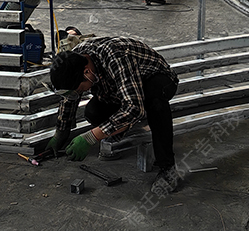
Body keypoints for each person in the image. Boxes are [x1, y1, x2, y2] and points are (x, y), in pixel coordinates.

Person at [47, 36, 182, 193]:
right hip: (124, 88)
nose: (80, 92)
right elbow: (70, 97)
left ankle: (168, 169)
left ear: (87, 72)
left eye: (80, 88)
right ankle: (121, 128)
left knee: (155, 104)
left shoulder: (116, 57)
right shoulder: (74, 60)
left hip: (156, 80)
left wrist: (91, 137)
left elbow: (134, 108)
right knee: (93, 112)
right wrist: (61, 133)